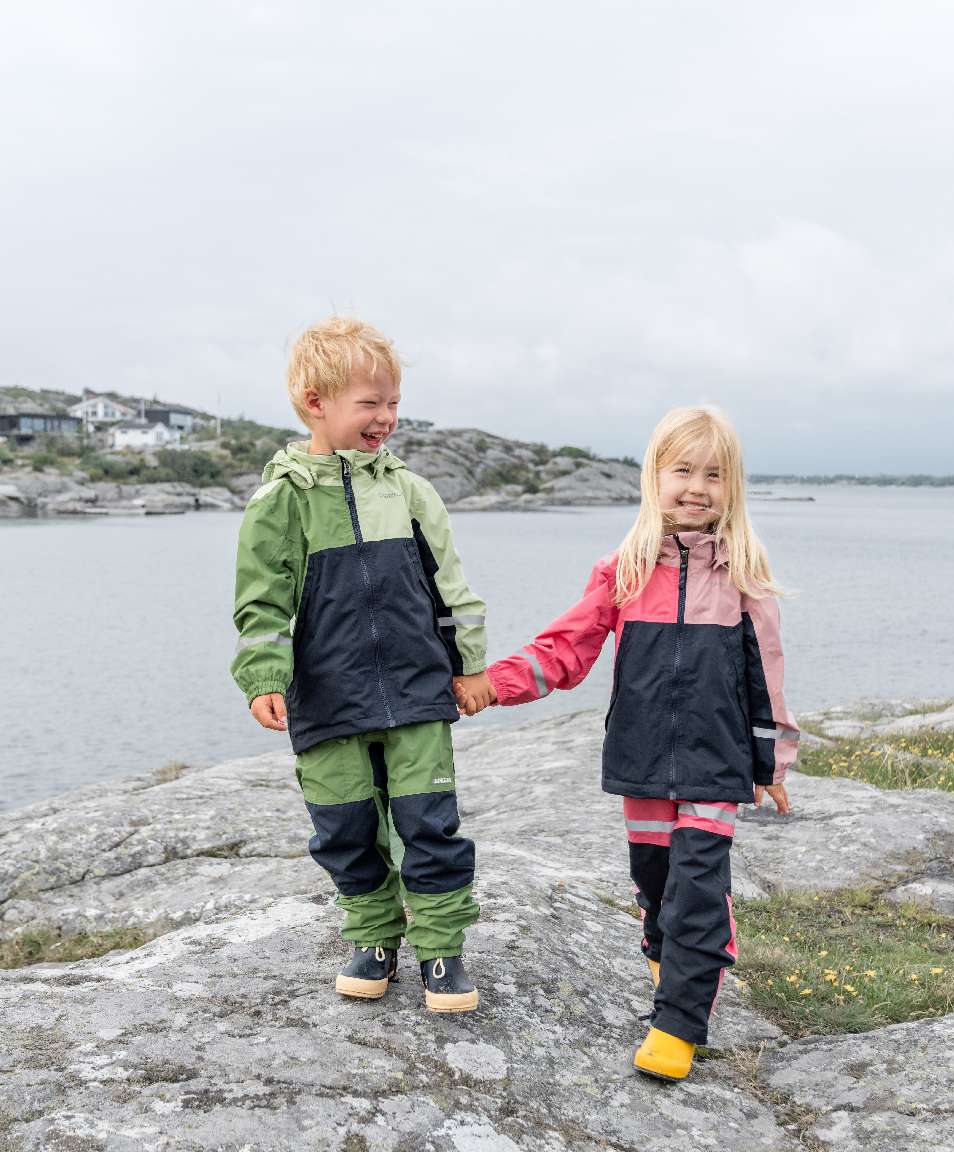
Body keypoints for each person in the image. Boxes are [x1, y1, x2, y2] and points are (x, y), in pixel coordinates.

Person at [459, 406, 798, 1077]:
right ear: (655, 477)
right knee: (657, 883)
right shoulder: (624, 570)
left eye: (714, 475)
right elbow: (566, 649)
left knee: (699, 887)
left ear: (732, 487)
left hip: (716, 760)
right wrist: (493, 684)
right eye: (683, 470)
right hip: (642, 758)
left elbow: (769, 675)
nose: (697, 487)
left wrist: (772, 758)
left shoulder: (743, 578)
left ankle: (679, 1022)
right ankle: (662, 944)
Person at [231, 316, 494, 1012]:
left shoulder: (410, 492)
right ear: (316, 403)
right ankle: (374, 935)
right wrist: (263, 677)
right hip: (327, 695)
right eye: (370, 403)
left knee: (428, 824)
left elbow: (452, 588)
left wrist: (469, 667)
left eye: (393, 403)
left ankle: (441, 950)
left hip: (416, 690)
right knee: (344, 827)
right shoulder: (280, 500)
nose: (387, 418)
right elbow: (262, 603)